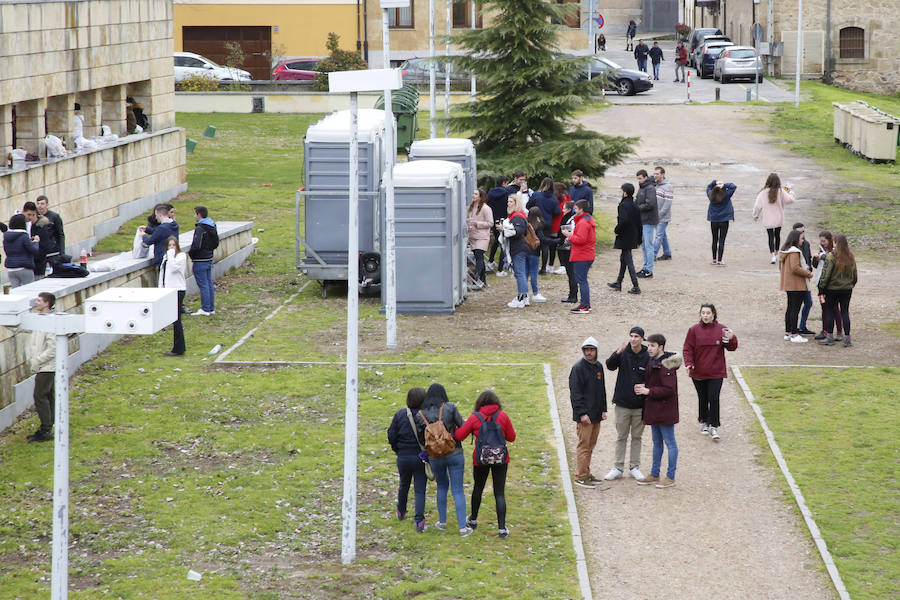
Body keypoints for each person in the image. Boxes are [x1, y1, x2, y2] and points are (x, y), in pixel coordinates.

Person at [454, 390, 516, 538]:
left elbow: (459, 435)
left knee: (478, 488)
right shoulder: (503, 416)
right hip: (501, 459)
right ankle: (502, 529)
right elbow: (512, 437)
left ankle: (473, 520)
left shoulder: (475, 418)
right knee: (499, 493)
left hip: (480, 459)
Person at [415, 383, 471, 537]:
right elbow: (463, 427)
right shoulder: (450, 407)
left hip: (435, 457)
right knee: (458, 489)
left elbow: (421, 439)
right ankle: (462, 528)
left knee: (441, 487)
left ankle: (442, 522)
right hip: (454, 453)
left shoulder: (420, 414)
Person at [683, 303, 738, 441]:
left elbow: (731, 347)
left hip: (716, 371)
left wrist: (732, 338)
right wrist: (689, 363)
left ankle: (714, 426)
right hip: (698, 371)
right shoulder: (693, 330)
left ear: (713, 314)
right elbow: (688, 348)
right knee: (703, 397)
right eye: (703, 313)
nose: (705, 315)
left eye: (708, 313)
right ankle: (704, 421)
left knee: (713, 397)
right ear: (700, 314)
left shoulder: (722, 329)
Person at [634, 333, 680, 488]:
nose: (649, 348)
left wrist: (649, 391)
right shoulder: (652, 360)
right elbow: (652, 381)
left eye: (652, 346)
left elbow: (669, 389)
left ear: (661, 347)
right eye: (649, 345)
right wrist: (643, 386)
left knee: (670, 443)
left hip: (665, 411)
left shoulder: (666, 365)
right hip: (655, 409)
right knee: (657, 442)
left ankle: (670, 477)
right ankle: (654, 474)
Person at [604, 327, 649, 481]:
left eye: (636, 336)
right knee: (621, 436)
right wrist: (618, 352)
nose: (633, 339)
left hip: (640, 405)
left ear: (642, 338)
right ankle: (617, 467)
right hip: (622, 402)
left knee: (637, 437)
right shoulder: (623, 352)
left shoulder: (647, 354)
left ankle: (634, 467)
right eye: (631, 336)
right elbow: (609, 365)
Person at [387, 387, 429, 533]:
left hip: (403, 456)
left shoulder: (400, 414)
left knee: (403, 484)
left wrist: (397, 449)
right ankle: (419, 520)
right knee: (419, 489)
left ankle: (401, 510)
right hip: (420, 457)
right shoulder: (426, 416)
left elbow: (391, 435)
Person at [569, 337, 608, 488]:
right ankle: (580, 475)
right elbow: (575, 393)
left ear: (596, 351)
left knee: (590, 445)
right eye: (586, 350)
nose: (589, 352)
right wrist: (582, 413)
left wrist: (603, 409)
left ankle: (586, 472)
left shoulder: (598, 366)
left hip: (596, 414)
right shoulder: (578, 368)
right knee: (584, 446)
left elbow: (601, 390)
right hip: (585, 416)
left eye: (591, 350)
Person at [25, 292, 57, 442]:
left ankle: (46, 430)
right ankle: (51, 426)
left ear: (47, 304)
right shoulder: (39, 319)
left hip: (47, 366)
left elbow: (53, 348)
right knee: (48, 395)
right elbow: (24, 327)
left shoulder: (49, 322)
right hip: (44, 365)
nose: (35, 302)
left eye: (39, 300)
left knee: (40, 396)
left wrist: (38, 360)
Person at [817, 234, 857, 347]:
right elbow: (855, 274)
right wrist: (850, 284)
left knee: (829, 311)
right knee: (845, 311)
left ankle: (829, 336)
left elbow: (826, 274)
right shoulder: (850, 256)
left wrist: (821, 288)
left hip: (832, 288)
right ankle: (847, 338)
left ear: (835, 243)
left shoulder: (831, 256)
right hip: (847, 289)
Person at [561, 199, 595, 314]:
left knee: (582, 281)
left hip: (582, 255)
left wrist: (569, 236)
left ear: (581, 209)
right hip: (585, 254)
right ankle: (586, 304)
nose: (574, 210)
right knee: (583, 280)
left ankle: (585, 305)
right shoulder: (586, 219)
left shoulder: (583, 223)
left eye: (576, 208)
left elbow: (581, 240)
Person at [778, 229, 814, 343]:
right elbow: (795, 268)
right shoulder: (794, 252)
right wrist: (808, 273)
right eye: (801, 238)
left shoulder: (786, 251)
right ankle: (794, 333)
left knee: (790, 308)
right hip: (797, 284)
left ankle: (788, 332)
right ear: (796, 239)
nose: (803, 241)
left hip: (789, 284)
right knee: (795, 309)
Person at [752, 173, 795, 264]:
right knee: (777, 235)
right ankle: (776, 252)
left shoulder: (763, 193)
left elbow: (757, 206)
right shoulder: (781, 191)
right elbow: (790, 200)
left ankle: (772, 256)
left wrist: (755, 216)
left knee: (770, 236)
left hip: (768, 219)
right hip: (779, 218)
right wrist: (790, 192)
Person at [607, 182, 642, 294]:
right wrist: (639, 239)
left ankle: (635, 285)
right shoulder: (634, 204)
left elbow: (623, 220)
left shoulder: (623, 205)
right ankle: (618, 281)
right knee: (624, 258)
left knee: (628, 259)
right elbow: (639, 223)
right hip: (632, 236)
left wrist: (617, 230)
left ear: (625, 193)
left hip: (625, 235)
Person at [812, 231, 844, 341]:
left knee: (834, 308)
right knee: (824, 307)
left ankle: (839, 331)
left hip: (830, 285)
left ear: (830, 240)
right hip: (820, 283)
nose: (822, 243)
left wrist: (821, 256)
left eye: (824, 241)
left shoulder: (834, 252)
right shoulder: (821, 250)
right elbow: (817, 266)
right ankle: (825, 330)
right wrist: (815, 259)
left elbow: (831, 261)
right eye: (821, 241)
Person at [159, 236, 187, 356]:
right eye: (169, 245)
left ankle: (179, 348)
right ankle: (177, 347)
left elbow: (175, 268)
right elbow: (163, 274)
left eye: (173, 245)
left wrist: (170, 254)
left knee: (176, 319)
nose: (171, 248)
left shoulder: (180, 256)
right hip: (168, 290)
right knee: (173, 319)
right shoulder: (166, 257)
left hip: (178, 290)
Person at [527, 178, 561, 274]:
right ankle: (544, 268)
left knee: (534, 242)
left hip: (535, 222)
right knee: (545, 245)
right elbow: (557, 212)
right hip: (548, 223)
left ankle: (534, 266)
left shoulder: (536, 195)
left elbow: (527, 206)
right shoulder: (553, 197)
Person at [188, 205, 219, 315]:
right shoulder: (212, 225)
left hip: (200, 260)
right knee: (209, 283)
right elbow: (216, 243)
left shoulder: (200, 228)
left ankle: (205, 309)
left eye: (194, 213)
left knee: (203, 285)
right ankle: (211, 307)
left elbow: (196, 245)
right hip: (209, 258)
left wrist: (191, 254)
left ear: (198, 214)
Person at [503, 194, 531, 308]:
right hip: (519, 248)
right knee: (521, 273)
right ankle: (524, 297)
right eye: (508, 201)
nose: (508, 203)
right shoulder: (516, 216)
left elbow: (518, 231)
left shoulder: (517, 216)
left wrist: (505, 229)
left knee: (520, 273)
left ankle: (521, 297)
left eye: (511, 202)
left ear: (516, 203)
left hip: (519, 248)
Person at [4, 214, 40, 288]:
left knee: (16, 294)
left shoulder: (6, 237)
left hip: (11, 269)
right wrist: (36, 242)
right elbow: (34, 250)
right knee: (29, 291)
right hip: (24, 268)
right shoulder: (24, 236)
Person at [467, 189, 493, 290]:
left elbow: (490, 223)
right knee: (478, 257)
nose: (473, 195)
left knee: (479, 255)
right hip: (472, 235)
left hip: (482, 236)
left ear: (481, 196)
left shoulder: (486, 208)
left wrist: (477, 224)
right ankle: (483, 281)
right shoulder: (470, 207)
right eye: (473, 193)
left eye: (476, 194)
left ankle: (476, 274)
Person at [634, 169, 658, 279]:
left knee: (648, 246)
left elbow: (650, 204)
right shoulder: (642, 188)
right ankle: (645, 267)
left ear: (645, 177)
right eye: (637, 179)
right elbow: (638, 201)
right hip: (642, 220)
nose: (639, 181)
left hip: (648, 220)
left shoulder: (650, 188)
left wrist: (637, 209)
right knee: (644, 245)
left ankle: (649, 270)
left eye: (640, 178)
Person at [792, 223, 816, 335]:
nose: (802, 234)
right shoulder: (791, 248)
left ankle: (801, 326)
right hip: (797, 280)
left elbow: (808, 258)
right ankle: (794, 329)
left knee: (808, 302)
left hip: (805, 278)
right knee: (795, 305)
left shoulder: (806, 244)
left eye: (803, 232)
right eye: (799, 232)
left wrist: (809, 270)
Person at [706, 180, 736, 265]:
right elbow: (733, 186)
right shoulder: (726, 195)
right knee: (722, 240)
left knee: (714, 239)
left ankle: (714, 259)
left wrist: (715, 182)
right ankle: (720, 260)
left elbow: (708, 186)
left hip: (714, 220)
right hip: (724, 220)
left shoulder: (710, 195)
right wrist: (724, 184)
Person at [487, 176, 511, 275]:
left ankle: (490, 261)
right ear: (504, 183)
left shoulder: (490, 193)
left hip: (493, 219)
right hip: (503, 220)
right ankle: (500, 270)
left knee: (496, 241)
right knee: (503, 244)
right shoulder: (507, 193)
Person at [557, 200, 579, 304]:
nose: (562, 210)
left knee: (571, 273)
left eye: (564, 208)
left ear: (569, 209)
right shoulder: (568, 218)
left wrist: (562, 240)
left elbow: (569, 234)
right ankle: (572, 294)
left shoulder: (571, 220)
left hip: (569, 249)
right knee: (570, 272)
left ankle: (573, 295)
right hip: (566, 248)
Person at [525, 207, 547, 303]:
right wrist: (555, 241)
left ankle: (524, 293)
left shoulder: (525, 224)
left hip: (525, 251)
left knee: (524, 273)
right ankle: (535, 293)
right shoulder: (538, 225)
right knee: (534, 273)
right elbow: (542, 239)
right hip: (534, 252)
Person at [547, 182, 569, 274]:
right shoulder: (564, 198)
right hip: (556, 225)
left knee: (560, 246)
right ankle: (551, 265)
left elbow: (557, 211)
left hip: (558, 225)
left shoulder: (562, 200)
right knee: (552, 246)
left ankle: (562, 265)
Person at [652, 166, 673, 261]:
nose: (655, 175)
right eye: (654, 173)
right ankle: (667, 253)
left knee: (659, 236)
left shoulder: (668, 186)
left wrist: (659, 215)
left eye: (657, 174)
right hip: (655, 215)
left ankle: (652, 255)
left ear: (662, 174)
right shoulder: (655, 185)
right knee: (662, 235)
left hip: (662, 217)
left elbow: (667, 203)